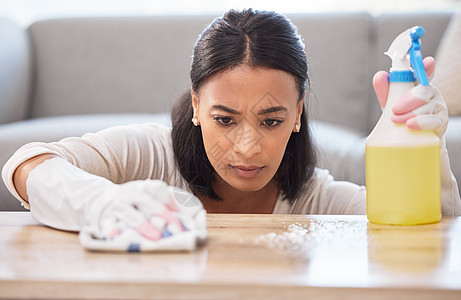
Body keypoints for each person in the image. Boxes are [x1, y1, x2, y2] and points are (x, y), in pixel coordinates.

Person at [2, 9, 460, 251]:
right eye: (225, 119)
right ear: (197, 106)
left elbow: (431, 227)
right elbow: (27, 164)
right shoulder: (150, 153)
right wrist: (100, 203)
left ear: (298, 114)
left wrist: (426, 147)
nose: (248, 147)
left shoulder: (316, 199)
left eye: (272, 120)